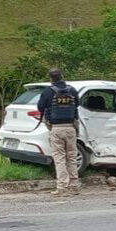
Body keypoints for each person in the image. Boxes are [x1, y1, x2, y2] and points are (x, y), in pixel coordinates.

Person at [37, 68, 80, 196]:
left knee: (60, 158)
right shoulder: (72, 90)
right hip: (71, 127)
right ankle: (74, 185)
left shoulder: (48, 92)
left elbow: (40, 107)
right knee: (72, 156)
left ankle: (62, 187)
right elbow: (76, 104)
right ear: (62, 76)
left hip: (56, 128)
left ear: (50, 78)